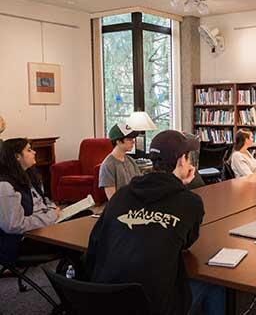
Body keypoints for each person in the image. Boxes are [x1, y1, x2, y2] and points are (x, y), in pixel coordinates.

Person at [86, 130, 224, 315]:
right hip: (153, 307)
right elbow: (186, 242)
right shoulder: (190, 203)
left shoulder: (122, 195)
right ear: (182, 161)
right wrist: (181, 187)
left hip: (104, 302)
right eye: (189, 157)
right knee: (217, 283)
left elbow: (95, 244)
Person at [0, 138, 60, 264]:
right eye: (29, 150)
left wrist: (53, 207)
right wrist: (51, 216)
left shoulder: (30, 176)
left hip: (41, 226)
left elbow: (44, 200)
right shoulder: (5, 186)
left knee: (84, 215)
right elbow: (15, 225)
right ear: (17, 156)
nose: (34, 152)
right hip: (20, 241)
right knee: (71, 240)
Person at [99, 123, 141, 200]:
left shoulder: (131, 161)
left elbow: (139, 186)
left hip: (136, 205)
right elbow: (112, 199)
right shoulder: (107, 165)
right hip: (121, 208)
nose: (133, 142)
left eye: (133, 139)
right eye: (129, 139)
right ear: (118, 141)